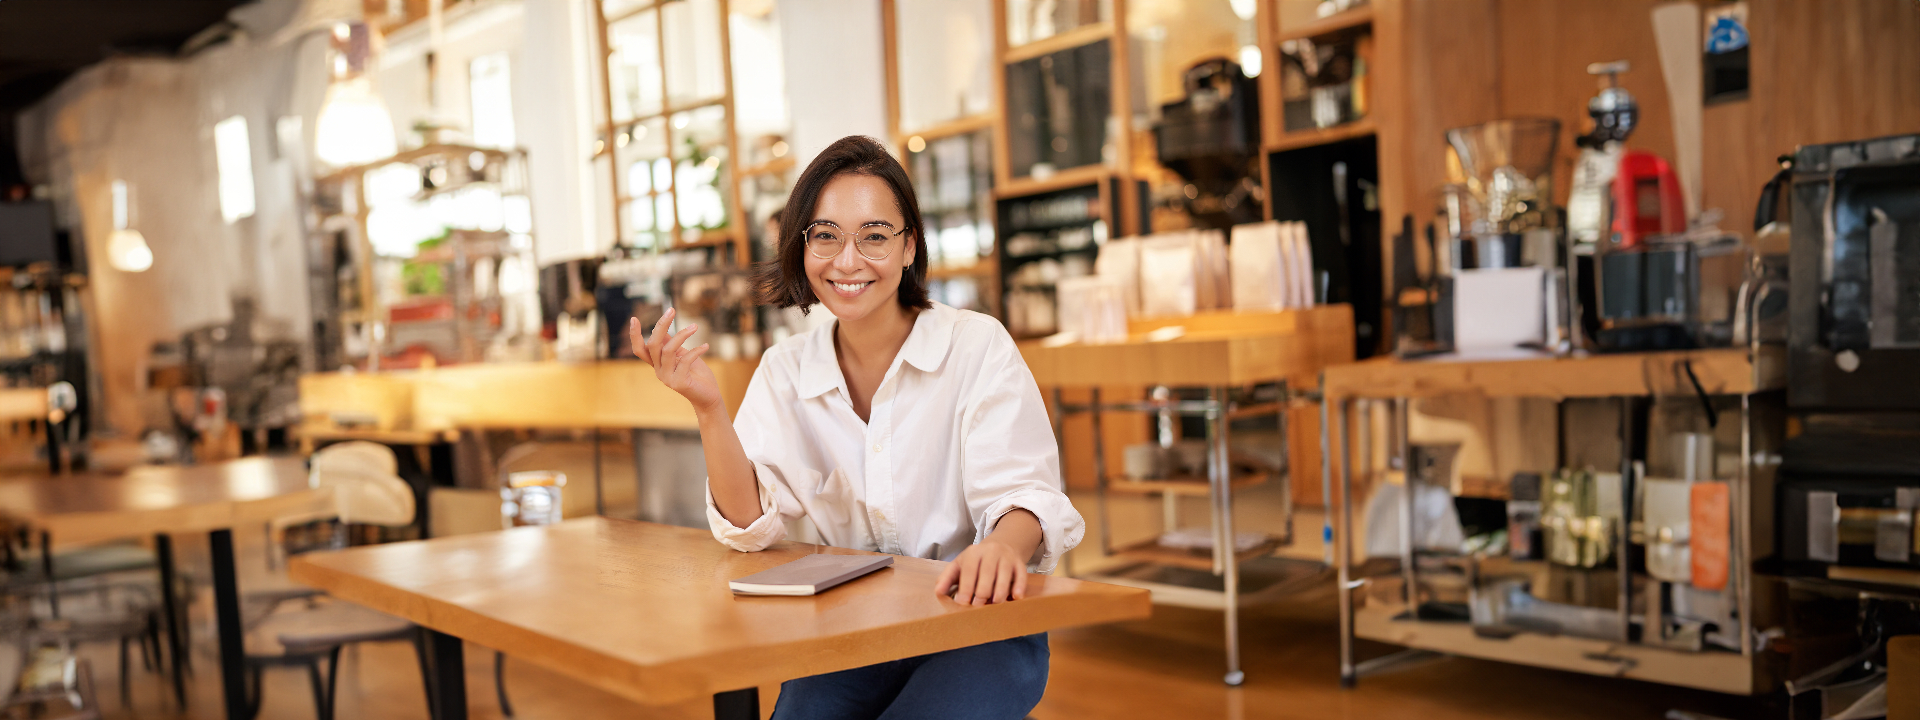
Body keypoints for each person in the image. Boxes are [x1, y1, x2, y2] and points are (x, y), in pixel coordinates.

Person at [630, 135, 1082, 720]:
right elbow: (749, 526)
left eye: (874, 236)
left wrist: (999, 547)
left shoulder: (976, 345)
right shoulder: (785, 370)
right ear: (801, 246)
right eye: (826, 235)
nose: (847, 261)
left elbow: (1025, 493)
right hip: (850, 629)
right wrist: (709, 408)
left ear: (909, 246)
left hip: (978, 622)